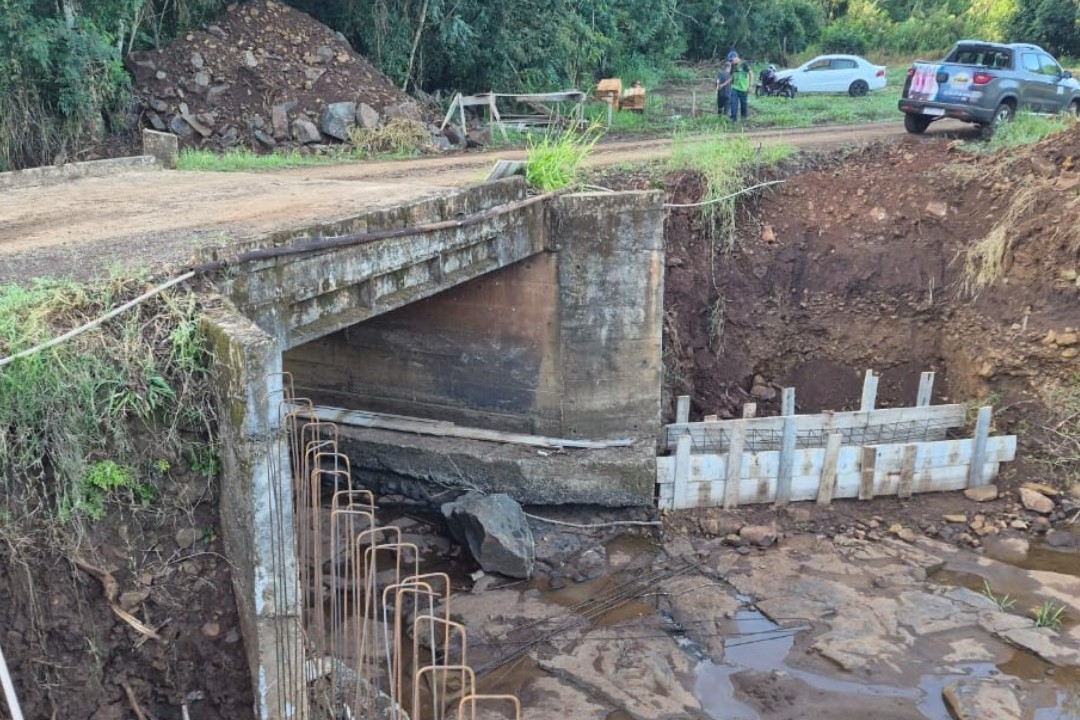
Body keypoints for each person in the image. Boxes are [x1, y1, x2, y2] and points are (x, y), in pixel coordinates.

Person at [728, 50, 752, 122]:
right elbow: (732, 76)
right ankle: (733, 119)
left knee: (744, 105)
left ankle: (743, 119)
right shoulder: (732, 66)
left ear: (736, 57)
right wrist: (729, 85)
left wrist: (750, 86)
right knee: (733, 103)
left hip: (744, 88)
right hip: (734, 88)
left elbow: (751, 74)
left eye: (731, 60)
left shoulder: (744, 64)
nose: (730, 62)